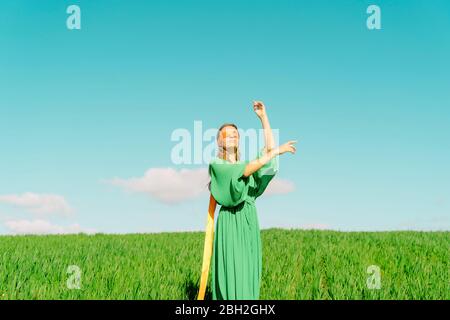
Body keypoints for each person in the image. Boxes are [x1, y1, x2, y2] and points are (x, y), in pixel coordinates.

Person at [208, 100, 297, 299]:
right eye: (227, 134)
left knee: (247, 270)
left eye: (235, 134)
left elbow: (266, 154)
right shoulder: (217, 165)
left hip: (248, 218)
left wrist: (263, 117)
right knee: (233, 268)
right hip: (231, 221)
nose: (232, 136)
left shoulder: (247, 164)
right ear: (219, 142)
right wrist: (276, 151)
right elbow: (246, 170)